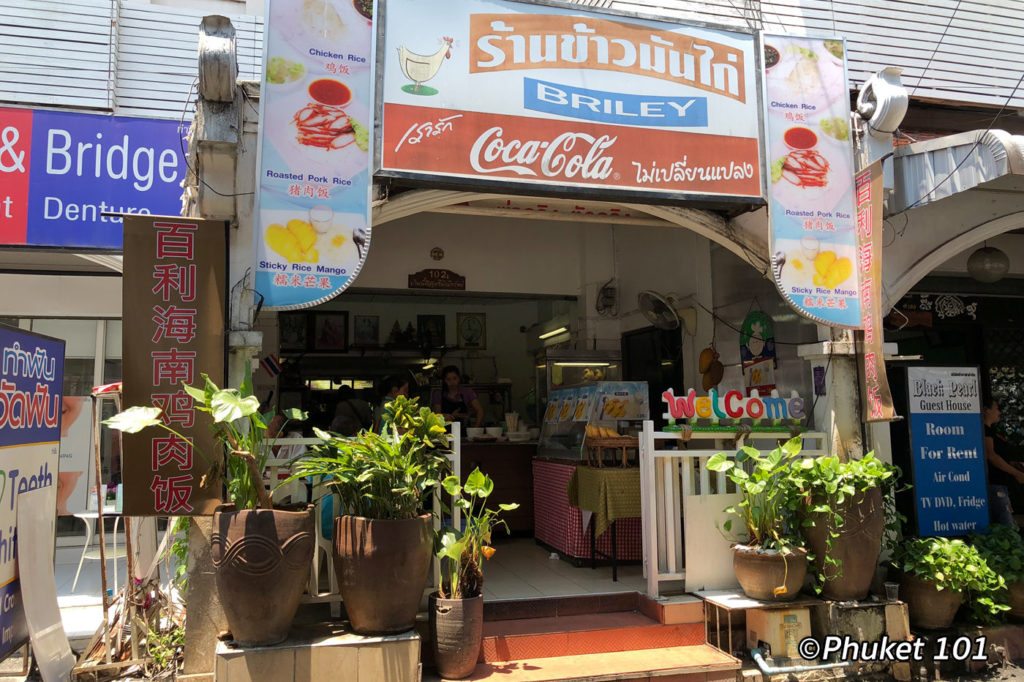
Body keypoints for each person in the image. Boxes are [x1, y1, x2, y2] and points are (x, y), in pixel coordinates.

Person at [984, 395, 1023, 527]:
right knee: (1007, 527)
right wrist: (1016, 473)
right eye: (996, 408)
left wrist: (1014, 465)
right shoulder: (985, 431)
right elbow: (992, 456)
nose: (999, 412)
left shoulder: (993, 431)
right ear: (987, 410)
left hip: (1002, 484)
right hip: (995, 485)